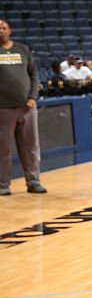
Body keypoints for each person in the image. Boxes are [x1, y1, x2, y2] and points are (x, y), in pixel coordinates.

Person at [0, 19, 47, 195]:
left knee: (31, 147)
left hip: (27, 106)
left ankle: (34, 182)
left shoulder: (22, 49)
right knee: (3, 148)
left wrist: (33, 97)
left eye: (4, 28)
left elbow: (34, 75)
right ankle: (3, 184)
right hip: (3, 107)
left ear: (10, 30)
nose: (1, 31)